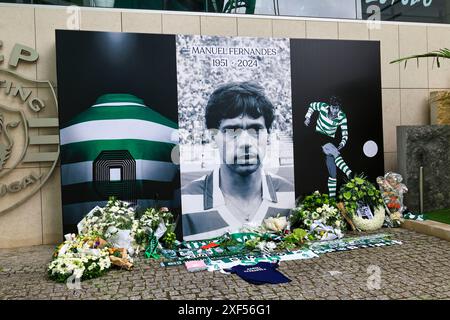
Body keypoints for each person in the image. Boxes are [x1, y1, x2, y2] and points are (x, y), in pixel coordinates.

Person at [181, 81, 295, 241]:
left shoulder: (291, 197)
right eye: (232, 131)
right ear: (213, 137)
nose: (245, 142)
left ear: (268, 136)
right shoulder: (185, 203)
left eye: (255, 129)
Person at [304, 96, 352, 197]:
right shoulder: (323, 107)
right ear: (330, 106)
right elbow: (312, 105)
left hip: (330, 140)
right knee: (331, 149)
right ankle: (349, 172)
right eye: (333, 108)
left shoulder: (342, 116)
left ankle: (332, 198)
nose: (335, 110)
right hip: (317, 136)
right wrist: (308, 117)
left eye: (337, 108)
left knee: (333, 173)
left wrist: (342, 143)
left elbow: (345, 134)